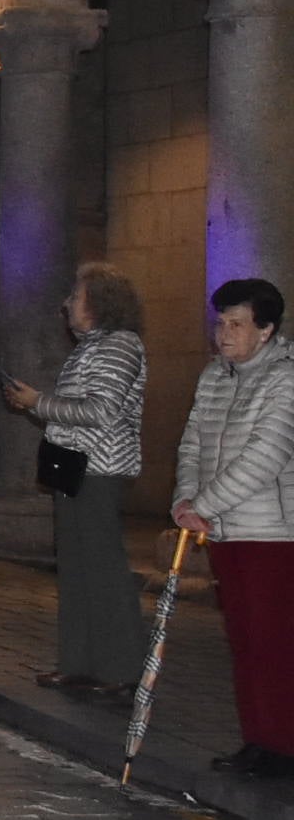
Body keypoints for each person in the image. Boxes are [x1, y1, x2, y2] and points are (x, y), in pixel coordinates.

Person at [2, 262, 148, 696]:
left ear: (100, 301)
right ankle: (81, 662)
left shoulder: (120, 345)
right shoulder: (91, 347)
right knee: (77, 570)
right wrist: (38, 404)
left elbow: (101, 410)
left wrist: (39, 403)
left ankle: (121, 668)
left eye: (76, 296)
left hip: (99, 469)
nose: (66, 305)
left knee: (103, 569)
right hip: (76, 467)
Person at [175, 278, 294, 779]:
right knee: (243, 639)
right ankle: (259, 739)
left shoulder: (285, 380)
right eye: (220, 323)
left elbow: (265, 456)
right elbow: (192, 443)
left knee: (274, 642)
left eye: (236, 324)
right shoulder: (214, 377)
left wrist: (203, 503)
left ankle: (284, 744)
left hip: (272, 533)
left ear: (265, 330)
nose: (223, 334)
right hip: (225, 530)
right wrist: (184, 498)